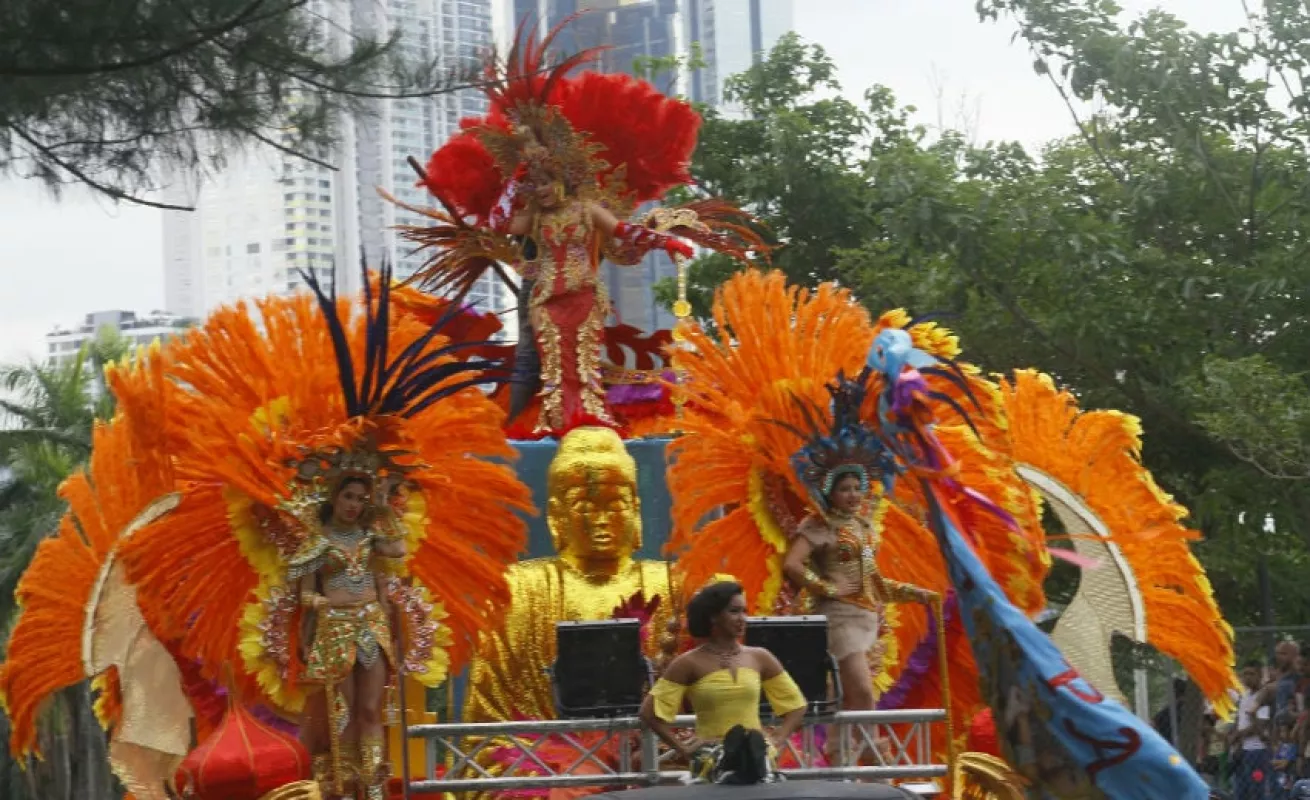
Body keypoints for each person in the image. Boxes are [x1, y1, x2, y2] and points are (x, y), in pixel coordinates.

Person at [392, 18, 767, 435]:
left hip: (583, 296)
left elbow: (627, 233)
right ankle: (552, 420)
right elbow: (499, 226)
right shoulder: (533, 217)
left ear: (565, 178)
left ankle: (586, 417)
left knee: (582, 364)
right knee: (552, 368)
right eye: (535, 185)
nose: (543, 190)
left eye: (547, 181)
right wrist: (518, 175)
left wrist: (667, 242)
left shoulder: (588, 209)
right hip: (545, 300)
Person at [288, 474, 406, 799]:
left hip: (370, 624)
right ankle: (347, 787)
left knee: (370, 710)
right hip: (336, 629)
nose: (354, 505)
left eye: (360, 499)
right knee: (343, 711)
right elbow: (305, 593)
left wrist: (383, 509)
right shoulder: (317, 542)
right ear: (334, 498)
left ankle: (375, 788)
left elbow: (398, 548)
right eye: (348, 497)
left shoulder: (369, 538)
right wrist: (321, 602)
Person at [641, 581, 807, 784]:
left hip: (758, 759)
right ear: (713, 616)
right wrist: (683, 749)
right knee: (721, 765)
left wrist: (777, 739)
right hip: (711, 760)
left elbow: (797, 705)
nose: (742, 619)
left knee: (753, 758)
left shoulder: (760, 657)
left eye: (745, 611)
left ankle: (749, 750)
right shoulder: (687, 662)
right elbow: (648, 713)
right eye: (734, 611)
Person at [1233, 661, 1274, 800]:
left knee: (1257, 789)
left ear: (1260, 675)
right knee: (1240, 790)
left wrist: (1238, 735)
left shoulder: (1263, 696)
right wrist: (1236, 739)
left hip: (1258, 751)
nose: (1247, 677)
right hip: (1243, 750)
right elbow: (1240, 721)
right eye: (1244, 674)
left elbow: (1260, 725)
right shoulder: (1244, 696)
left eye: (1251, 674)